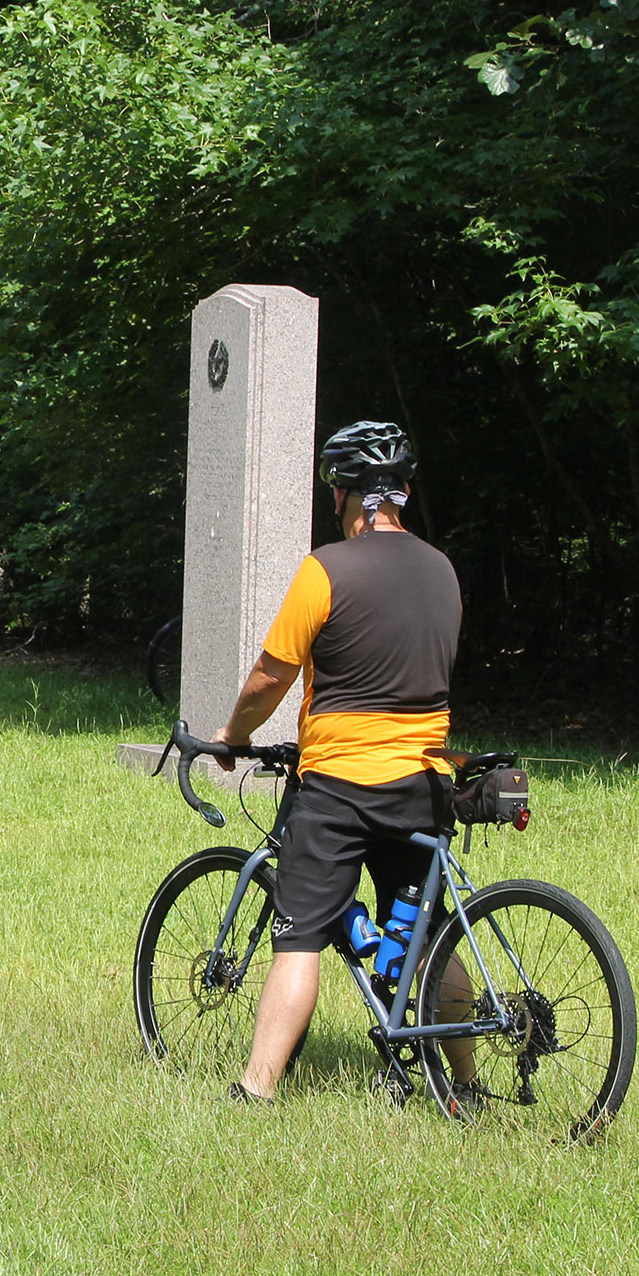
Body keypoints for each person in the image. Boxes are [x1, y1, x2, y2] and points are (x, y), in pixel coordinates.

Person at [212, 420, 463, 1106]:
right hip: (426, 780)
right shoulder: (442, 568)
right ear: (403, 493)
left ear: (346, 498)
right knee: (429, 938)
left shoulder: (327, 568)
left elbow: (271, 675)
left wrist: (233, 734)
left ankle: (257, 1087)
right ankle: (464, 1086)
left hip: (341, 783)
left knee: (299, 938)